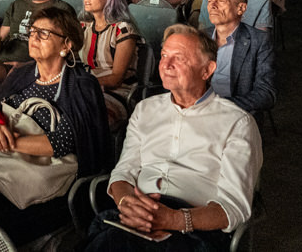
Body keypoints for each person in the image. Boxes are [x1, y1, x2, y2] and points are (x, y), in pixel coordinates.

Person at [84, 25, 262, 251]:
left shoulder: (237, 123)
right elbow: (123, 172)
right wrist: (127, 204)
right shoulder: (145, 109)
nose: (166, 65)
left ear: (207, 70)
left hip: (194, 227)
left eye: (179, 58)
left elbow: (234, 206)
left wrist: (175, 219)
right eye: (164, 55)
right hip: (137, 215)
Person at [0, 6, 111, 244]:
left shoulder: (82, 86)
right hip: (4, 167)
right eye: (33, 31)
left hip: (47, 184)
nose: (34, 37)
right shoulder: (21, 74)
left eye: (44, 33)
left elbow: (64, 142)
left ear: (67, 45)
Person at [201, 0, 276, 115]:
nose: (212, 6)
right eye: (209, 1)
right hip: (197, 111)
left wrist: (219, 107)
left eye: (221, 1)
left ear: (241, 8)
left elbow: (266, 93)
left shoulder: (259, 40)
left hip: (235, 114)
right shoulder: (199, 38)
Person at [78, 0, 140, 127]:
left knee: (83, 118)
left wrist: (79, 84)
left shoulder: (123, 29)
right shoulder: (83, 27)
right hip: (85, 89)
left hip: (116, 93)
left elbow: (116, 78)